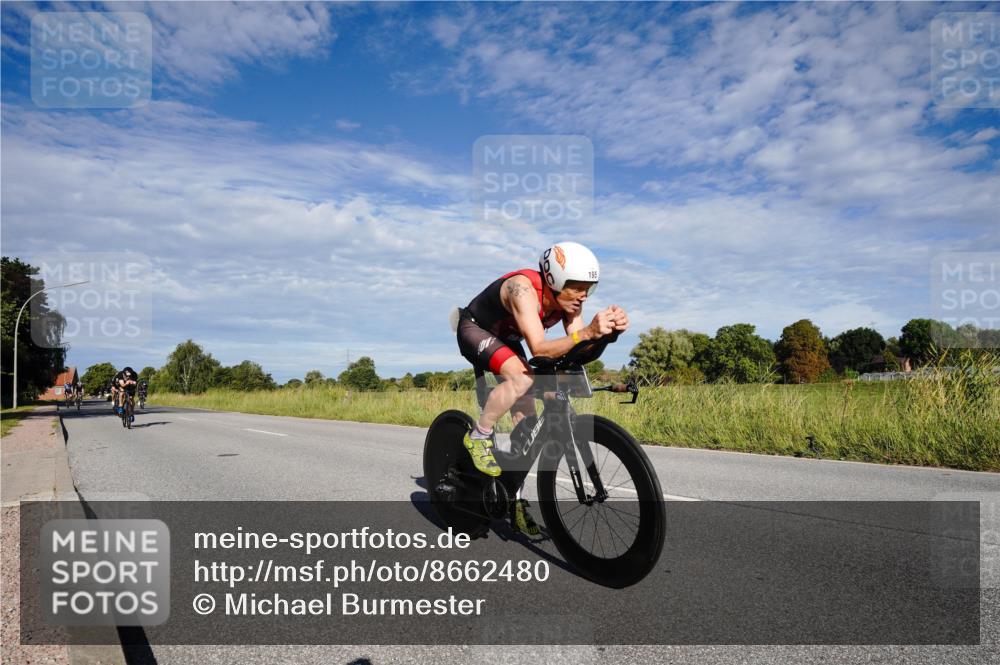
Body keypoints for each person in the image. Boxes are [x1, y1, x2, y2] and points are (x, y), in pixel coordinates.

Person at [455, 242, 629, 536]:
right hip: (476, 329)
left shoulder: (572, 301)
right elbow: (539, 348)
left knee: (530, 418)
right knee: (523, 379)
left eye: (590, 288)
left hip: (507, 337)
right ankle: (479, 436)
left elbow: (576, 351)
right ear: (553, 279)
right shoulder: (522, 289)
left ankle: (515, 498)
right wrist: (588, 332)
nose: (583, 295)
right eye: (576, 287)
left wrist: (605, 337)